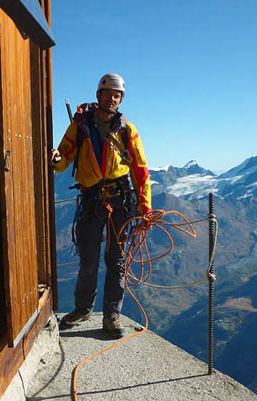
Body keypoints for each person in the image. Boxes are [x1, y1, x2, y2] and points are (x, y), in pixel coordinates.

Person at [51, 73, 152, 338]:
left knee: (116, 260)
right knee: (89, 259)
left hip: (119, 202)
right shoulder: (81, 125)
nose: (112, 98)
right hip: (92, 200)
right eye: (108, 94)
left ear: (121, 99)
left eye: (117, 95)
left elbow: (140, 171)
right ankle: (84, 308)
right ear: (99, 96)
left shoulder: (127, 130)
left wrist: (146, 209)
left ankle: (111, 316)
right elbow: (63, 157)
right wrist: (56, 159)